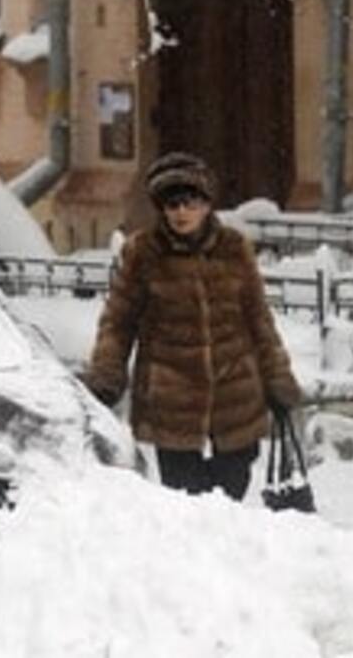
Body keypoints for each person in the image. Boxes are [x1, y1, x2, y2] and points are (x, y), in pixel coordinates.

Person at [86, 152, 305, 500]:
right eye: (172, 204)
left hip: (234, 395)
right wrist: (106, 378)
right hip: (171, 399)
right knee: (185, 497)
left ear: (206, 204)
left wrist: (278, 381)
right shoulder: (143, 253)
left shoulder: (233, 249)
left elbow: (259, 320)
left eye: (190, 202)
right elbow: (118, 322)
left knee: (232, 490)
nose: (181, 212)